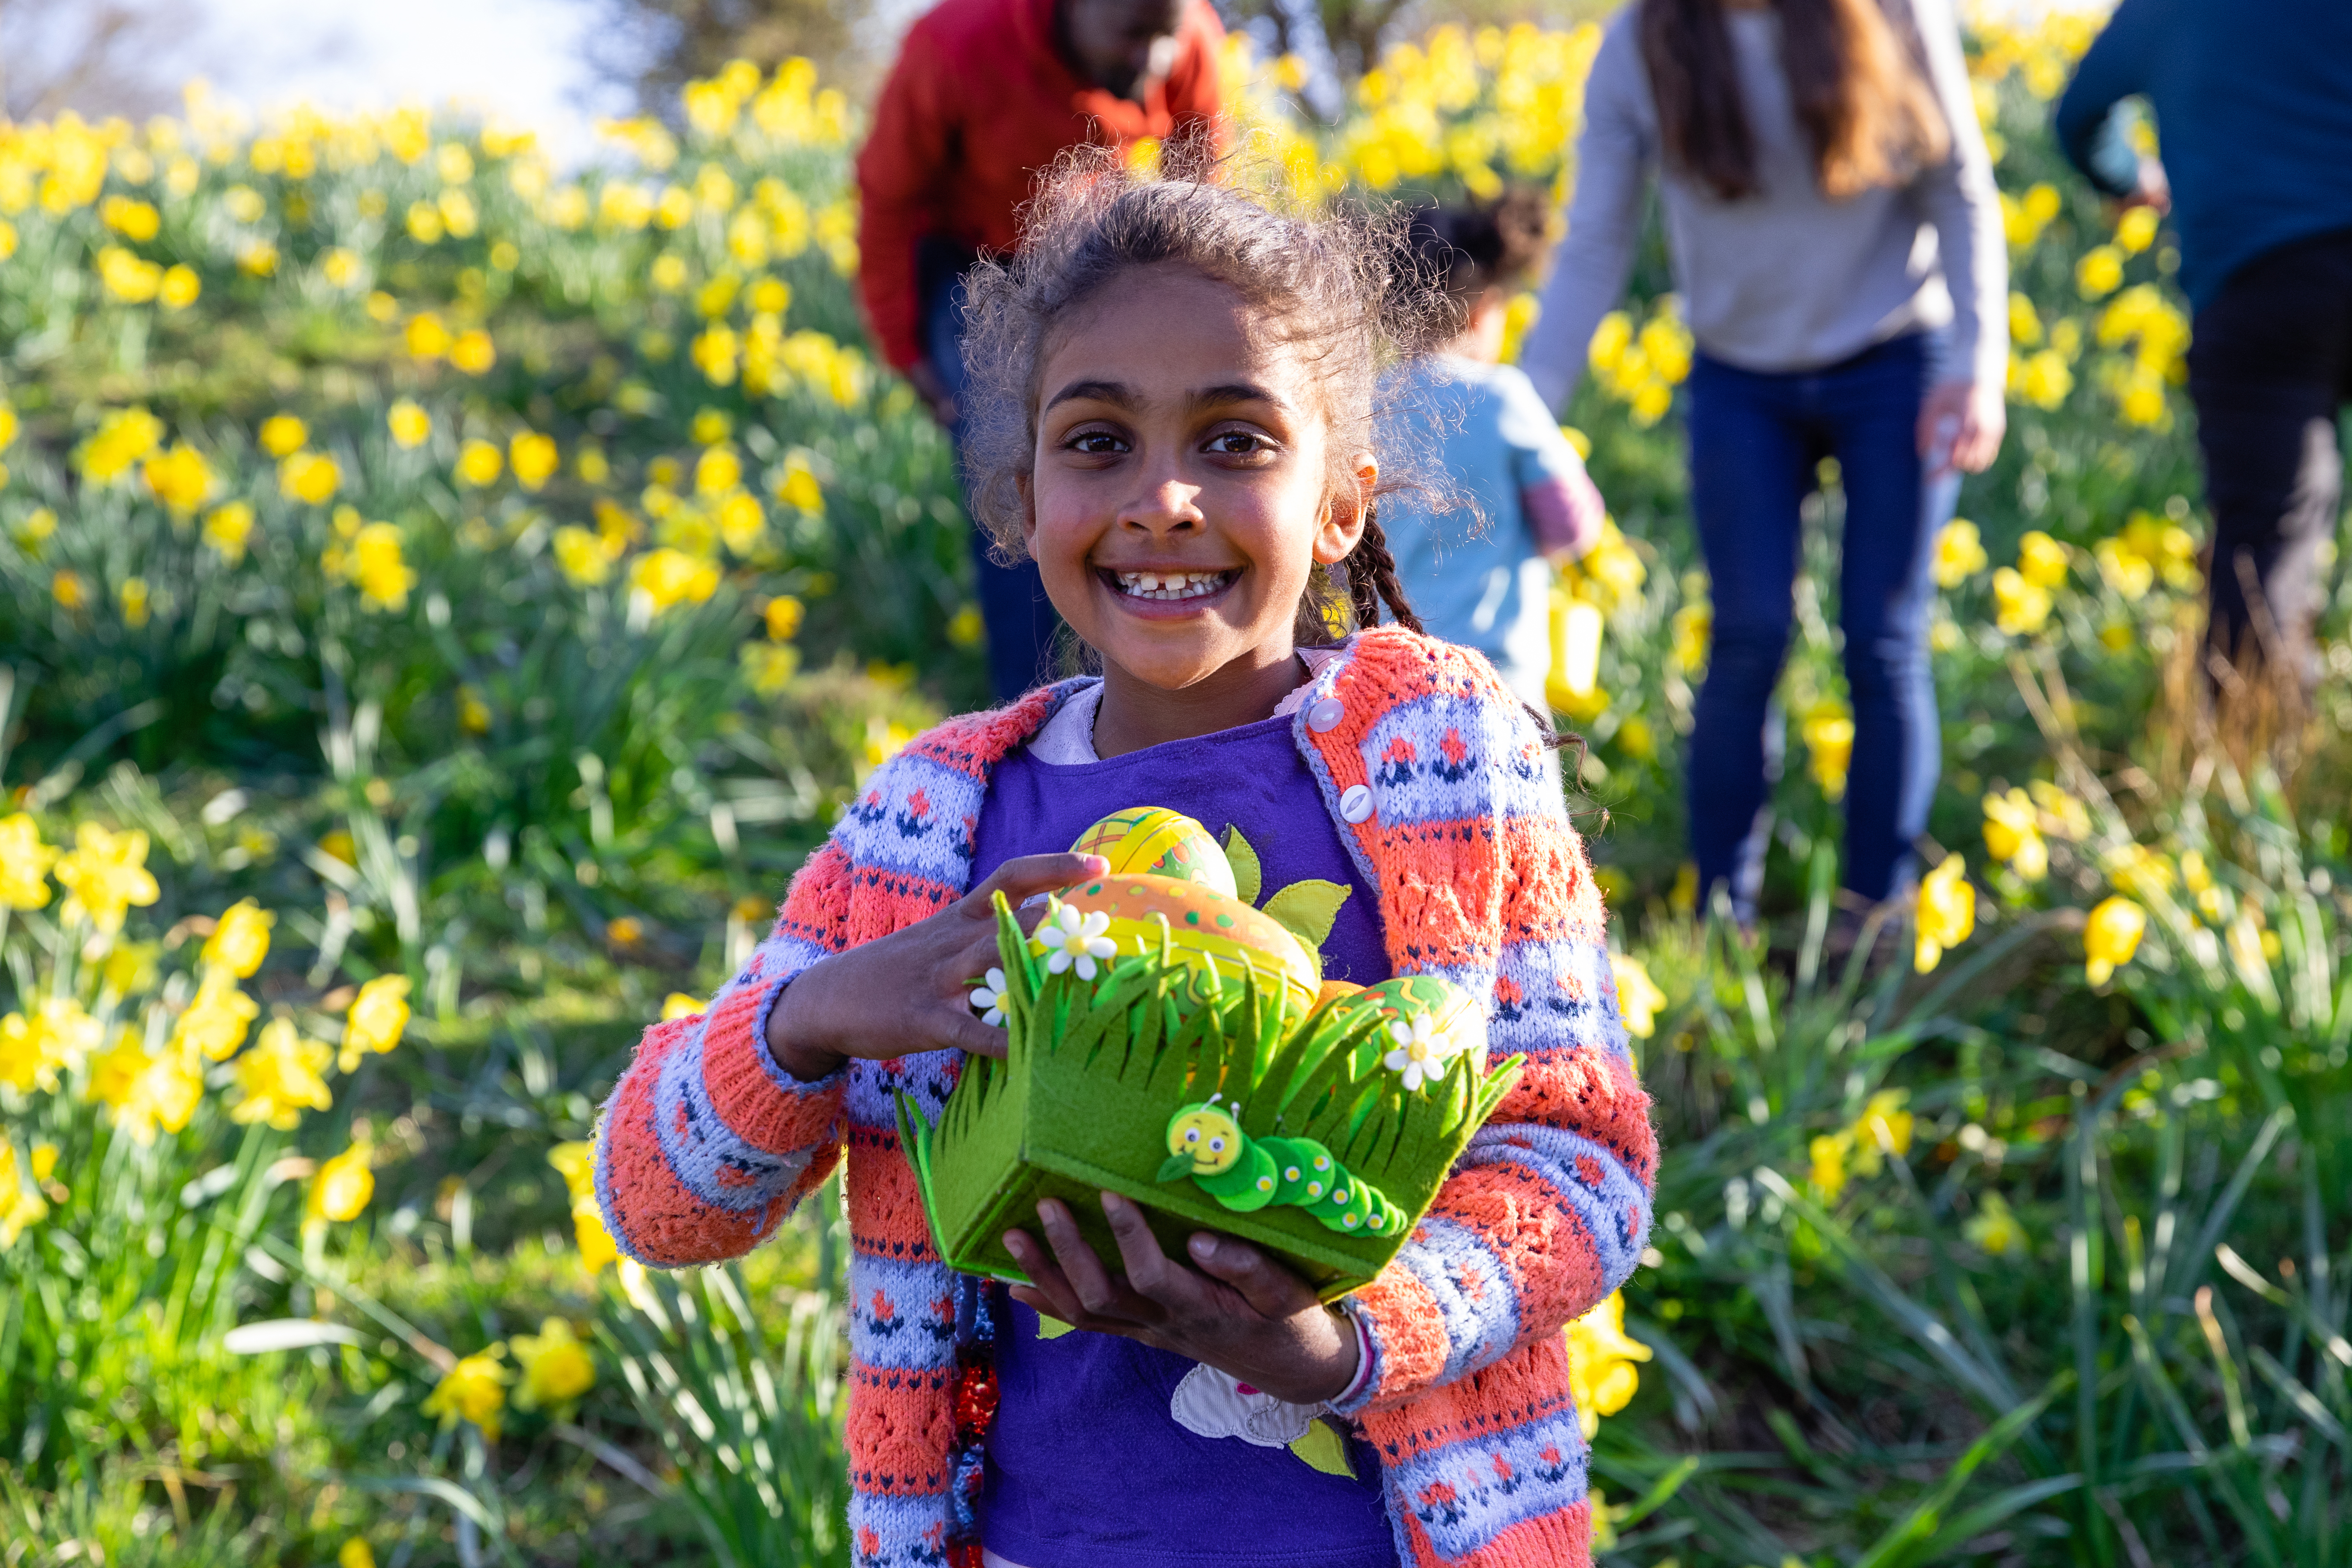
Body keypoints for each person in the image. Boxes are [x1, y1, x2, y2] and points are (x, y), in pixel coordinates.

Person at [596, 159, 1657, 1568]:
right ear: (1018, 498)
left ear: (1343, 501)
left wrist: (1342, 1339)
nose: (1163, 496)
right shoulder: (927, 824)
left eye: (1235, 441)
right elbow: (655, 1199)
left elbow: (1581, 1162)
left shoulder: (1445, 762)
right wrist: (822, 1009)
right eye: (1097, 441)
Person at [1518, 0, 2007, 922]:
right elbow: (1594, 244)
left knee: (1884, 642)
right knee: (1745, 640)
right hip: (1741, 381)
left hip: (1896, 360)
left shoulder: (1893, 14)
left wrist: (1979, 368)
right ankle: (1720, 924)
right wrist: (1517, 407)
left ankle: (1876, 921)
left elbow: (1959, 186)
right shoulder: (1642, 42)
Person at [857, 0, 1229, 701]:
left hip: (1087, 244)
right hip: (969, 262)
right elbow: (887, 201)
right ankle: (1026, 714)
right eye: (1130, 35)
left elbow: (1201, 175)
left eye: (1163, 42)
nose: (1151, 63)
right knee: (1013, 482)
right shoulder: (955, 42)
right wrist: (908, 353)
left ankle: (1140, 691)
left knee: (1122, 451)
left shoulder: (1188, 35)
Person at [2055, 0, 2352, 692]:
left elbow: (2079, 119)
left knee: (2262, 543)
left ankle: (2251, 772)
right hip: (2271, 272)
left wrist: (2131, 179)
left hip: (2258, 280)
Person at [1378, 195, 1608, 733]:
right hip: (1497, 678)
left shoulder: (1371, 403)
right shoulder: (1503, 398)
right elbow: (1574, 525)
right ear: (1484, 312)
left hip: (1385, 675)